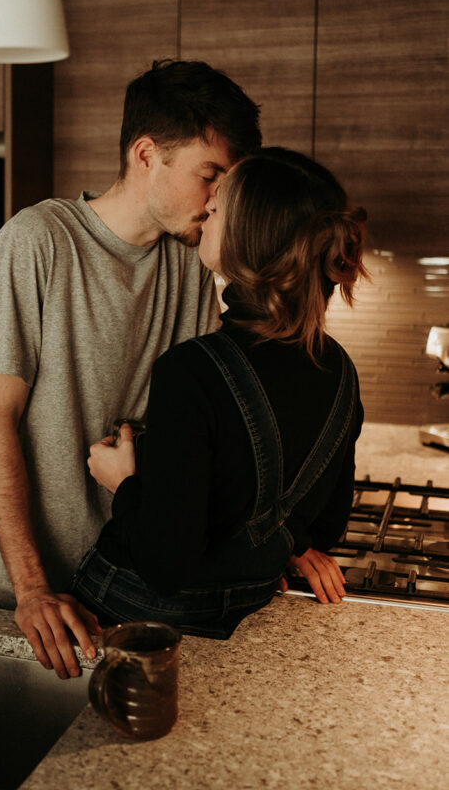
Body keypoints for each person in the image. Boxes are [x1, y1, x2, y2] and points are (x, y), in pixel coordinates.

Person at [0, 59, 262, 677]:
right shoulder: (39, 240)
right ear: (146, 154)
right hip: (37, 607)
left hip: (134, 594)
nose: (216, 200)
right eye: (210, 176)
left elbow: (219, 424)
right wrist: (31, 588)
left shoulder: (194, 264)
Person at [74, 147, 368, 638]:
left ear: (248, 240)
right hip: (247, 617)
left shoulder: (190, 371)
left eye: (218, 208)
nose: (205, 211)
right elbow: (325, 525)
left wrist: (123, 481)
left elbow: (165, 567)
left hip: (134, 619)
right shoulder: (340, 371)